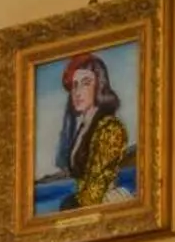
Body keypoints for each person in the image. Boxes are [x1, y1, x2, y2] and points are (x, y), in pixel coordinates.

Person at [53, 52, 130, 209]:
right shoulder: (81, 129)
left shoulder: (110, 128)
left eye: (85, 83)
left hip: (104, 204)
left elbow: (96, 190)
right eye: (74, 85)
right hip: (85, 203)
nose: (77, 92)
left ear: (99, 86)